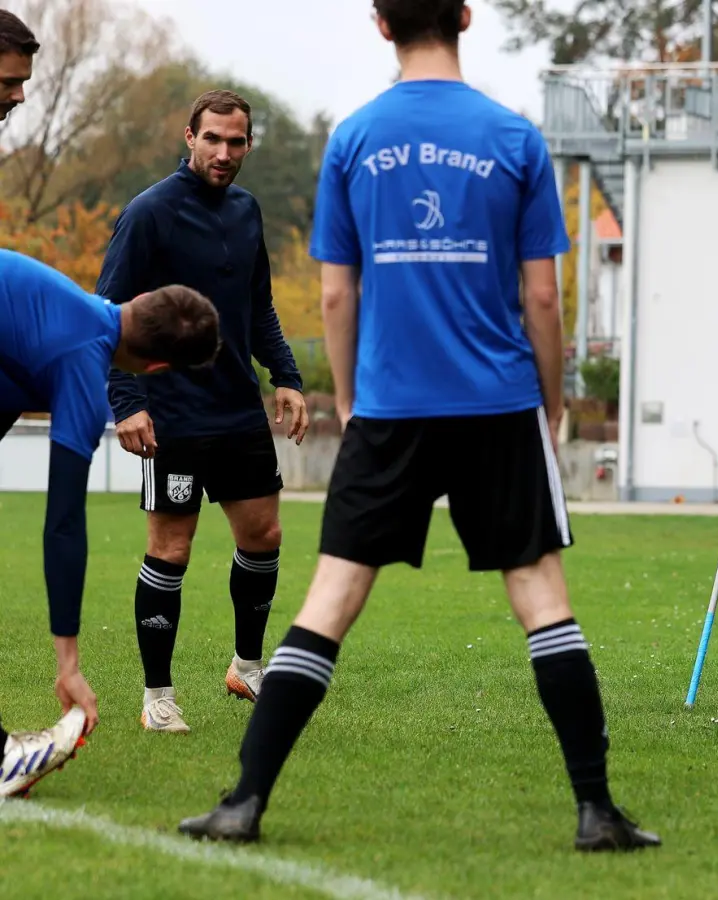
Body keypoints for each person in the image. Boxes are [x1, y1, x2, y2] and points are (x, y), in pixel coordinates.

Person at [176, 0, 658, 852]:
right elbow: (542, 295)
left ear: (379, 23)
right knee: (540, 596)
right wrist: (548, 402)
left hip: (390, 409)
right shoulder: (514, 137)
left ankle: (244, 801)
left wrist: (355, 398)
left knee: (332, 596)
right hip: (497, 404)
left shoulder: (356, 139)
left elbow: (335, 292)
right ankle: (595, 811)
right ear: (466, 17)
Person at [100, 89, 309, 734]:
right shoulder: (149, 213)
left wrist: (288, 376)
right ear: (188, 137)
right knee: (172, 548)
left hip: (237, 409)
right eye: (212, 139)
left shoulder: (247, 211)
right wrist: (128, 401)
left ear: (249, 144)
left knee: (264, 536)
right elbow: (107, 314)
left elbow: (259, 305)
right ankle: (157, 695)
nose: (224, 153)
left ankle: (247, 666)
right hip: (173, 414)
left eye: (236, 141)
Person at [0, 249, 221, 797]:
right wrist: (68, 663)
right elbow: (64, 524)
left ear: (139, 300)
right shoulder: (80, 357)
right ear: (157, 369)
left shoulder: (65, 309)